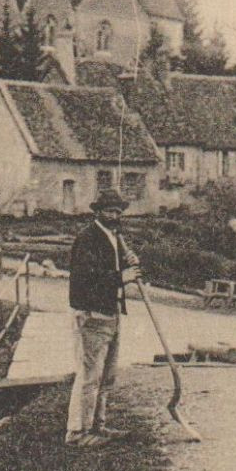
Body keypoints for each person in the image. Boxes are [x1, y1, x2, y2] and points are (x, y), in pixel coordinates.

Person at [65, 188, 141, 447]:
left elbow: (115, 265)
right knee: (89, 375)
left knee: (107, 376)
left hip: (111, 313)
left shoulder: (113, 237)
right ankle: (77, 432)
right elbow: (87, 279)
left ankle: (98, 424)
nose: (115, 214)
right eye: (110, 210)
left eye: (118, 211)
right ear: (97, 212)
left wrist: (128, 260)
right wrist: (122, 277)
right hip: (91, 314)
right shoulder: (88, 239)